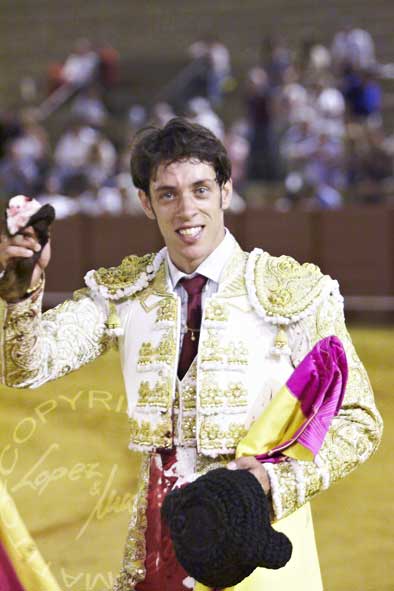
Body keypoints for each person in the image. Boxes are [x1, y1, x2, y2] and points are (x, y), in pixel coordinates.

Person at [0, 118, 382, 591]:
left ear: (226, 190)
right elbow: (24, 367)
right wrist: (21, 296)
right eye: (167, 194)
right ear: (145, 202)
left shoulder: (295, 293)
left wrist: (270, 483)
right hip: (157, 545)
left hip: (257, 538)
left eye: (200, 189)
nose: (186, 210)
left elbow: (359, 421)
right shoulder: (125, 294)